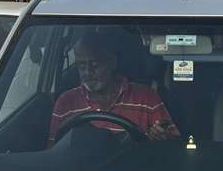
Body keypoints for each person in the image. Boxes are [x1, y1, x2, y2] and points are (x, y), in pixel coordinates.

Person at [49, 31, 179, 144]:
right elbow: (54, 153)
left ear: (112, 62)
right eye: (81, 66)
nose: (87, 72)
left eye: (94, 65)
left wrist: (160, 138)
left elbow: (174, 145)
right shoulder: (66, 103)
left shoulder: (147, 99)